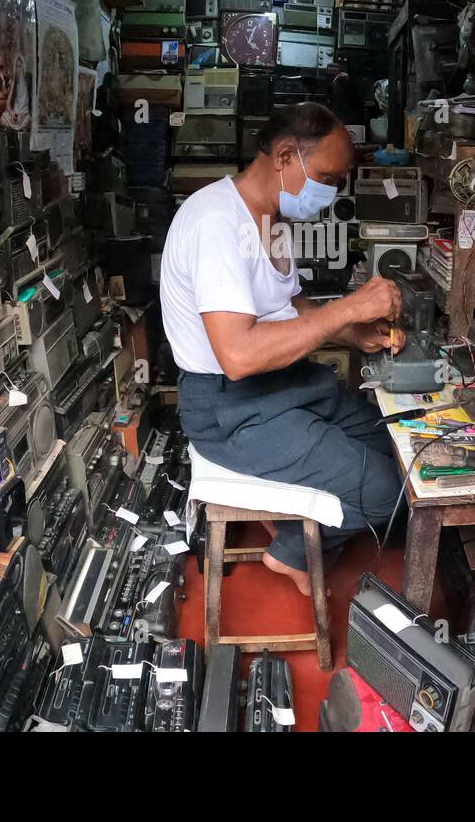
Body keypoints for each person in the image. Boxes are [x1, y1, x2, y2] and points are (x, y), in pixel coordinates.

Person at [159, 102, 406, 595]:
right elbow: (240, 355)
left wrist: (353, 333)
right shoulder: (216, 223)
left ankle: (299, 516)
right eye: (329, 178)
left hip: (284, 386)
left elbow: (291, 307)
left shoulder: (268, 219)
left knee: (399, 451)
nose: (332, 192)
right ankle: (291, 550)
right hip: (231, 410)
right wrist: (349, 309)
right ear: (286, 157)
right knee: (385, 491)